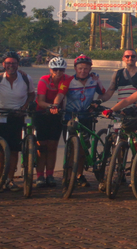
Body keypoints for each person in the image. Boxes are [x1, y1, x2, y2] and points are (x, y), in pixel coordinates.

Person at [0, 52, 35, 190]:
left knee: (14, 150)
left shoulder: (26, 78)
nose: (11, 66)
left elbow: (32, 94)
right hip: (1, 115)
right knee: (1, 149)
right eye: (8, 63)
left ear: (18, 65)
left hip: (17, 116)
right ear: (3, 65)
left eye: (13, 63)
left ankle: (9, 179)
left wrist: (24, 107)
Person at [63, 54, 107, 188]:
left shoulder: (94, 80)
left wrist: (96, 102)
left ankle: (79, 175)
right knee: (71, 148)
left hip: (87, 117)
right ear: (75, 68)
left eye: (86, 68)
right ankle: (68, 176)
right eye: (80, 68)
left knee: (83, 148)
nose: (83, 71)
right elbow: (60, 95)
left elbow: (103, 93)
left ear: (90, 69)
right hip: (70, 117)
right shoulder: (69, 81)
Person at [34, 57, 71, 187]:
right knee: (42, 147)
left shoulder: (66, 79)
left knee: (52, 146)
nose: (58, 72)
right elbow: (40, 101)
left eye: (61, 69)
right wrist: (51, 107)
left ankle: (50, 174)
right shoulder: (43, 80)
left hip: (56, 115)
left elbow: (61, 93)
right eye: (55, 69)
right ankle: (39, 176)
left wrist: (94, 75)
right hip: (42, 114)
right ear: (50, 70)